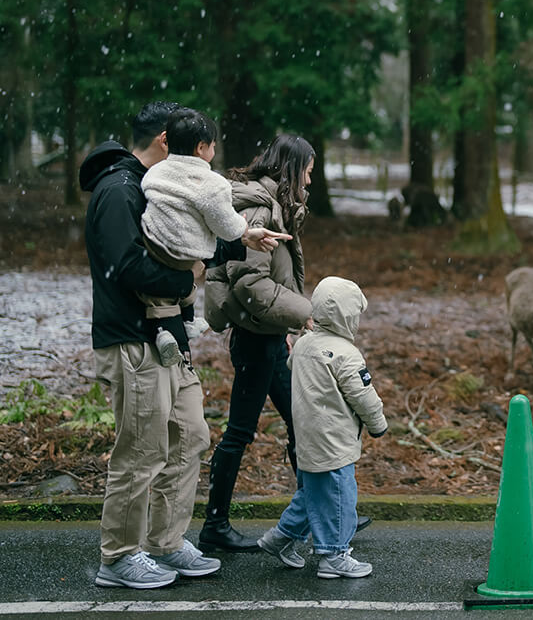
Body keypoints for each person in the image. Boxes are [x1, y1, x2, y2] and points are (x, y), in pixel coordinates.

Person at [80, 101, 285, 589]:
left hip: (167, 337)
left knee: (190, 435)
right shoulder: (120, 189)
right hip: (133, 339)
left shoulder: (159, 190)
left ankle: (166, 543)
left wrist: (241, 241)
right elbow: (126, 267)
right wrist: (189, 279)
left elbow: (186, 235)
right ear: (167, 142)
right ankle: (119, 556)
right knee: (142, 449)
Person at [201, 134, 370, 550]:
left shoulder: (275, 204)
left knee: (301, 426)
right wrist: (304, 312)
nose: (310, 182)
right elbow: (250, 282)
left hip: (270, 336)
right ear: (292, 169)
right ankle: (215, 526)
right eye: (308, 172)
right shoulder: (261, 207)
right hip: (256, 339)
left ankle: (320, 515)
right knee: (242, 431)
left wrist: (289, 328)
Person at [257, 276, 387, 578]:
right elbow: (363, 396)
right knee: (340, 496)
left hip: (307, 436)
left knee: (314, 494)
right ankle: (334, 554)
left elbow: (291, 366)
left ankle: (281, 537)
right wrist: (377, 424)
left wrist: (308, 336)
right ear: (348, 316)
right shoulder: (346, 355)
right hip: (334, 440)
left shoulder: (303, 345)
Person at [138, 108, 251, 366]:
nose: (214, 151)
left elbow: (148, 191)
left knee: (157, 297)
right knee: (191, 280)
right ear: (201, 148)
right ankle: (179, 327)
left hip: (153, 243)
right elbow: (226, 227)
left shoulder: (155, 171)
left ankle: (167, 329)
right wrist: (242, 227)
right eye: (212, 145)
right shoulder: (213, 184)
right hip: (184, 255)